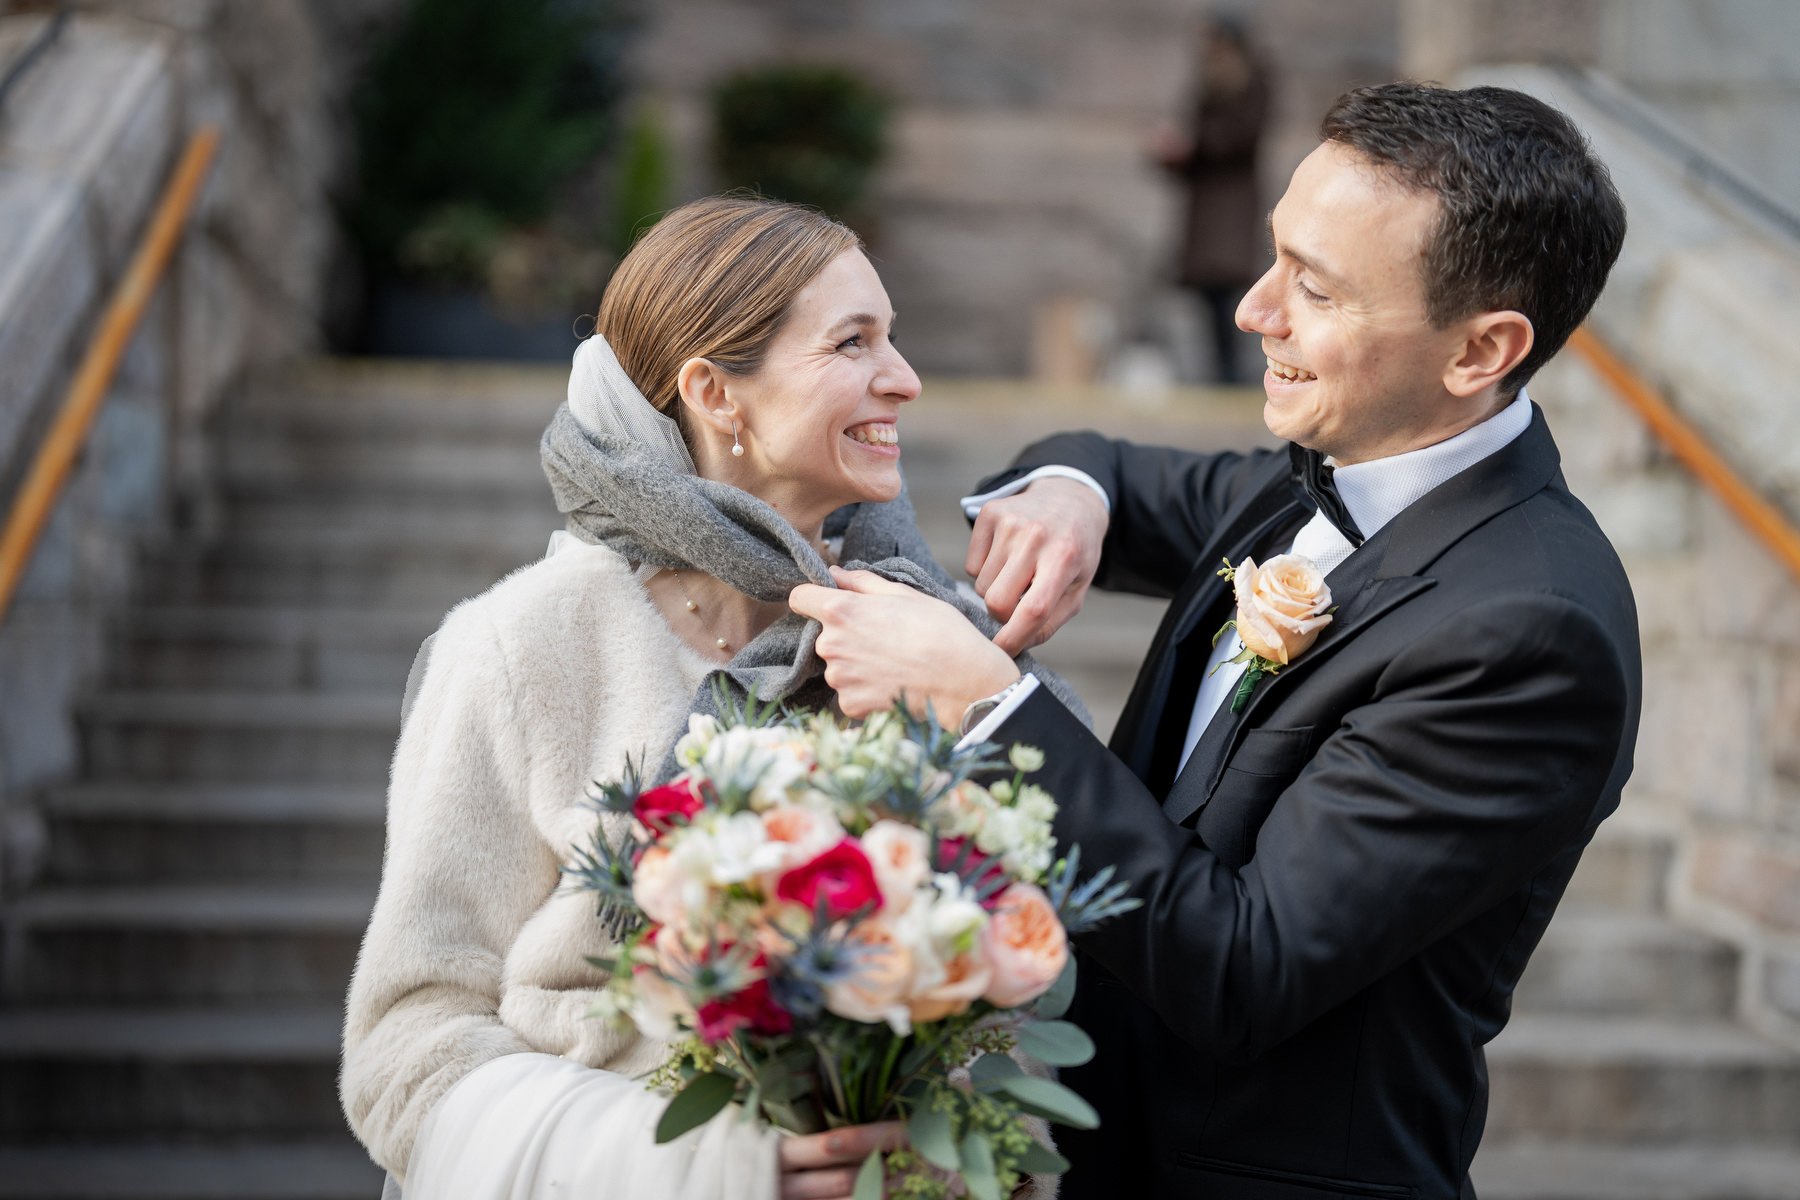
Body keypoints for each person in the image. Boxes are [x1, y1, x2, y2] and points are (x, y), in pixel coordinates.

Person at [791, 82, 1638, 1200]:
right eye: (1277, 255)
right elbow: (1115, 468)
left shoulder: (1531, 634)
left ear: (1481, 351)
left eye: (1316, 289)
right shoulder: (1346, 462)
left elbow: (1244, 964)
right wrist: (1068, 491)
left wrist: (982, 710)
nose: (1253, 309)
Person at [339, 196, 1075, 1200]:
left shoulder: (933, 639)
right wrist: (710, 1171)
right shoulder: (526, 648)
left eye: (892, 340)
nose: (903, 380)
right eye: (853, 343)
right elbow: (405, 1048)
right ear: (715, 393)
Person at [1150, 15, 1269, 383]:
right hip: (1206, 209)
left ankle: (1233, 376)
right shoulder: (1208, 85)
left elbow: (1240, 136)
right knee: (1208, 297)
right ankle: (1222, 375)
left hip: (1230, 207)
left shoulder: (1252, 83)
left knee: (1228, 295)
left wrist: (1192, 147)